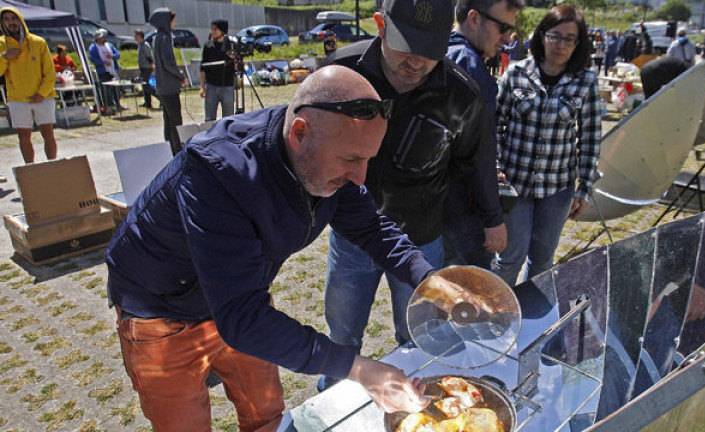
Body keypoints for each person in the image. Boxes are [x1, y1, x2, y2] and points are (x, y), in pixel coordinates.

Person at [106, 65, 438, 431]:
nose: (360, 178)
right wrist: (359, 368)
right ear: (299, 133)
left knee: (265, 413)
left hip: (240, 299)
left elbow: (371, 227)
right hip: (162, 313)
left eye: (367, 160)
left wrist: (430, 279)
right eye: (351, 159)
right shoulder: (218, 171)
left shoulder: (324, 159)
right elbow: (243, 320)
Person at [321, 0, 493, 388]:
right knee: (344, 335)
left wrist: (492, 217)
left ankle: (421, 409)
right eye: (405, 46)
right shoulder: (340, 73)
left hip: (420, 237)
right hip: (352, 237)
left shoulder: (461, 95)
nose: (415, 61)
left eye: (429, 50)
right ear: (380, 24)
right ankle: (330, 407)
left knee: (420, 336)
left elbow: (476, 161)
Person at [492, 5, 602, 288]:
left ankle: (531, 319)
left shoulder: (585, 82)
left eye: (569, 39)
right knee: (509, 258)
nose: (561, 45)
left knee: (542, 260)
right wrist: (495, 168)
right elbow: (494, 125)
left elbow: (589, 138)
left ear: (578, 44)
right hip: (514, 185)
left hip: (556, 189)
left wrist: (584, 187)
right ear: (541, 36)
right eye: (555, 36)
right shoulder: (516, 74)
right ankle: (493, 316)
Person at [443, 0, 524, 269]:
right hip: (460, 210)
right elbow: (479, 154)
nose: (508, 38)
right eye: (503, 27)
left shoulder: (434, 50)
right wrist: (493, 218)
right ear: (474, 19)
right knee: (472, 296)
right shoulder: (472, 67)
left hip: (430, 206)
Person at [0, 6, 58, 164]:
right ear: (2, 22)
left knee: (48, 133)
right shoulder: (1, 44)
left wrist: (42, 93)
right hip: (18, 98)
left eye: (13, 18)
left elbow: (50, 72)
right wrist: (4, 57)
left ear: (20, 19)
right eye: (6, 19)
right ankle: (30, 169)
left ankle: (53, 165)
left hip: (43, 97)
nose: (11, 22)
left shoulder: (38, 42)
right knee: (23, 136)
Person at [150, 8, 187, 155]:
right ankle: (177, 150)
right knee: (176, 122)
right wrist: (181, 76)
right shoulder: (164, 38)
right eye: (173, 20)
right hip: (169, 87)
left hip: (162, 87)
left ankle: (170, 148)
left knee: (168, 122)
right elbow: (169, 63)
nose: (175, 24)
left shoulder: (157, 37)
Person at [200, 19, 235, 121]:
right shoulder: (208, 46)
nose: (213, 31)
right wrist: (202, 86)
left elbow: (236, 64)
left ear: (222, 30)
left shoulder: (230, 45)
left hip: (227, 86)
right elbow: (203, 68)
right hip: (212, 86)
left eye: (215, 29)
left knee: (228, 118)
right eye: (212, 29)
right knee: (209, 118)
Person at [89, 29, 122, 112]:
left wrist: (112, 56)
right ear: (97, 38)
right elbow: (93, 59)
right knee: (106, 89)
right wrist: (103, 63)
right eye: (101, 38)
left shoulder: (109, 45)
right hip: (103, 71)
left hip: (113, 70)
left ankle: (117, 104)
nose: (103, 39)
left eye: (104, 37)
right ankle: (109, 106)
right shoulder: (93, 47)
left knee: (116, 89)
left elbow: (117, 55)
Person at [134, 29, 154, 109]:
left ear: (139, 36)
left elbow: (149, 56)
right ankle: (147, 103)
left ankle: (161, 99)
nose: (134, 37)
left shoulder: (145, 45)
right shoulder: (140, 45)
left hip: (147, 68)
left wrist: (152, 65)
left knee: (147, 86)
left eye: (136, 35)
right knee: (144, 85)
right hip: (142, 68)